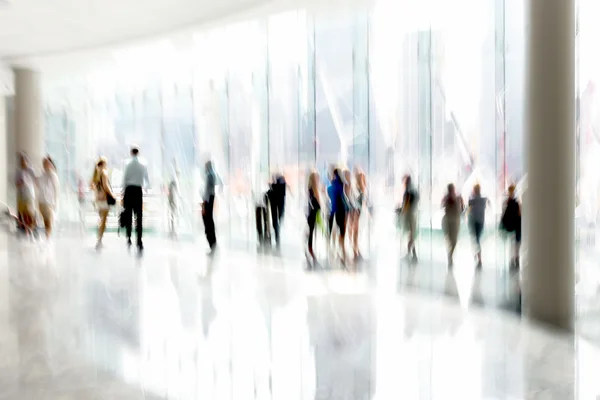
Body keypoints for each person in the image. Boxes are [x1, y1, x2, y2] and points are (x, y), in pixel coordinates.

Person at [122, 146, 150, 252]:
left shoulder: (127, 165)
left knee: (128, 215)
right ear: (138, 153)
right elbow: (146, 180)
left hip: (129, 190)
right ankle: (139, 240)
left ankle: (128, 238)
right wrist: (146, 189)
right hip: (138, 191)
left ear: (131, 153)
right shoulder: (143, 165)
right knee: (139, 217)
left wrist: (123, 193)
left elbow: (124, 179)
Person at [91, 157, 115, 249]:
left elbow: (92, 185)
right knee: (104, 220)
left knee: (101, 219)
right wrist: (112, 195)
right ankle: (99, 240)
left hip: (97, 199)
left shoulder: (96, 173)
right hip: (104, 199)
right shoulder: (104, 173)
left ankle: (99, 238)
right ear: (104, 164)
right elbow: (106, 186)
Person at [441, 183, 464, 268]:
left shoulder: (458, 198)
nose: (452, 190)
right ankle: (450, 255)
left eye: (452, 189)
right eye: (451, 189)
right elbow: (442, 206)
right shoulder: (446, 198)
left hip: (455, 221)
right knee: (449, 239)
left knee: (454, 240)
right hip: (447, 220)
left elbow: (461, 209)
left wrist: (460, 202)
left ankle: (450, 255)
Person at [468, 184, 490, 268]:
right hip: (480, 221)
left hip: (474, 221)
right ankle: (477, 255)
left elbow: (468, 210)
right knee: (477, 239)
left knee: (476, 239)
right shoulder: (483, 199)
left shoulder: (472, 199)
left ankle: (479, 257)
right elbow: (488, 202)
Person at [37, 156, 60, 239]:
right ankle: (47, 239)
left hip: (49, 203)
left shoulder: (53, 175)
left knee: (48, 222)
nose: (44, 164)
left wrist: (55, 204)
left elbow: (56, 190)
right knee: (45, 222)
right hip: (41, 202)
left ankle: (48, 239)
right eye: (43, 163)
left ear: (49, 164)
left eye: (45, 163)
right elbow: (37, 184)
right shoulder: (43, 174)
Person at [15, 153, 37, 238]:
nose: (22, 161)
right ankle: (26, 232)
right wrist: (20, 183)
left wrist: (26, 182)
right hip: (21, 196)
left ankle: (31, 230)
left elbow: (34, 181)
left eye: (24, 159)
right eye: (21, 160)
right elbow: (16, 184)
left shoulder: (31, 170)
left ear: (27, 161)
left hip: (29, 195)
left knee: (29, 214)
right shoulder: (18, 171)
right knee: (22, 215)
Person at [501, 184, 522, 270]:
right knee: (516, 242)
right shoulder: (516, 201)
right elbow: (519, 213)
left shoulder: (507, 202)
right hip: (516, 224)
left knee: (514, 242)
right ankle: (515, 257)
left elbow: (503, 213)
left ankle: (515, 257)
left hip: (511, 224)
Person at [329, 168, 347, 265]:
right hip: (342, 210)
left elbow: (333, 197)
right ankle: (342, 251)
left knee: (335, 230)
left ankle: (336, 250)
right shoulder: (342, 184)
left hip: (335, 210)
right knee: (341, 231)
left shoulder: (332, 184)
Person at [401, 175, 419, 263]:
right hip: (414, 213)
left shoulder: (408, 191)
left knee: (411, 234)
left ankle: (411, 253)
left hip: (410, 214)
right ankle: (413, 253)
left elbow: (406, 204)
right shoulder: (414, 190)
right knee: (411, 234)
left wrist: (402, 211)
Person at [202, 160, 218, 254]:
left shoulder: (209, 176)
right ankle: (213, 243)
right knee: (210, 221)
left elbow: (207, 191)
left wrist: (204, 203)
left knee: (207, 221)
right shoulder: (212, 175)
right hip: (209, 199)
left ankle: (212, 243)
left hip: (207, 200)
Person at [268, 173, 287, 247]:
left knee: (278, 217)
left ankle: (277, 231)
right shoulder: (276, 185)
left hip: (277, 203)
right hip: (277, 203)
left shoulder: (278, 185)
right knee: (277, 217)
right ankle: (276, 232)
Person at [306, 171, 321, 265]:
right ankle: (310, 249)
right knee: (312, 230)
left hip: (312, 211)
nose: (318, 179)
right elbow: (318, 198)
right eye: (317, 177)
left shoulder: (309, 187)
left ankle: (310, 248)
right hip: (314, 212)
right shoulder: (314, 187)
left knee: (311, 230)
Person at [168, 170, 181, 239]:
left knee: (172, 215)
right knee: (175, 215)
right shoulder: (175, 181)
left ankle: (173, 229)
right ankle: (175, 230)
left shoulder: (172, 181)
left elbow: (170, 192)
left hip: (171, 200)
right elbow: (177, 192)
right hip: (174, 200)